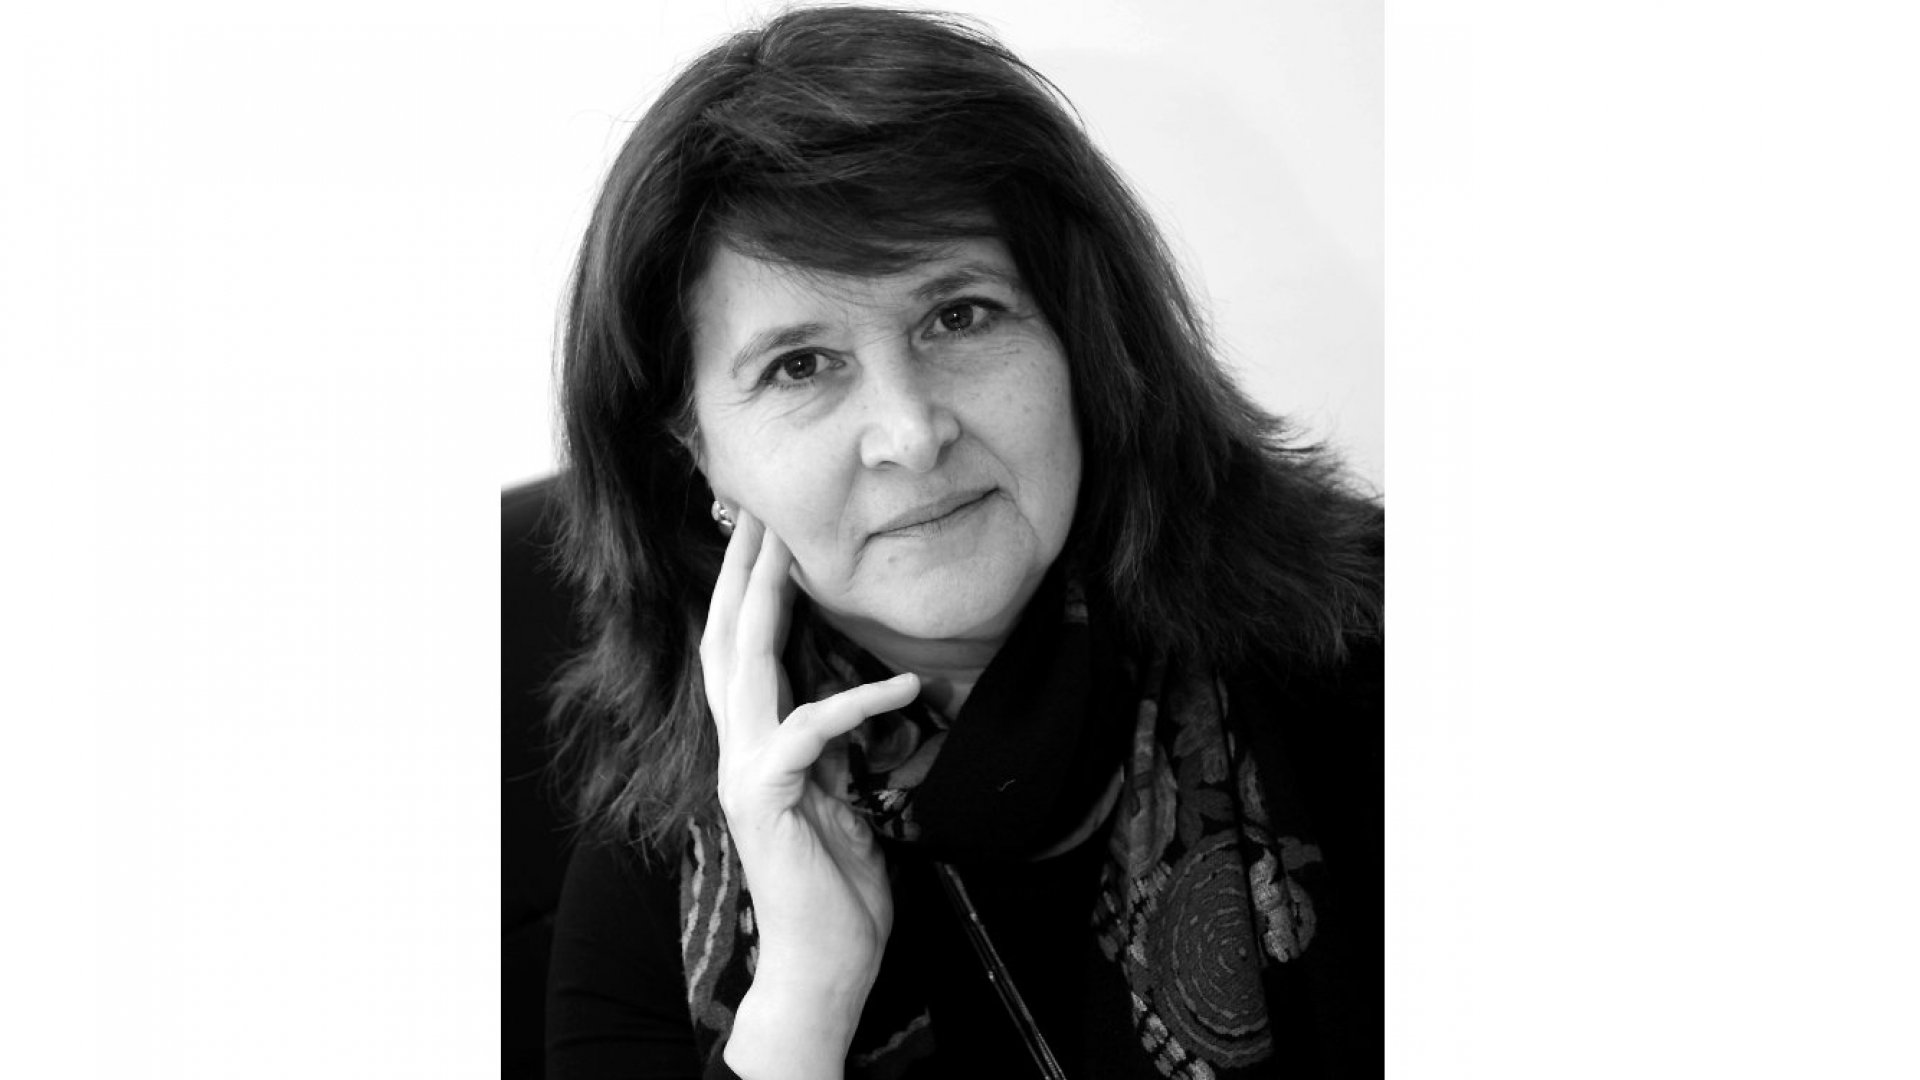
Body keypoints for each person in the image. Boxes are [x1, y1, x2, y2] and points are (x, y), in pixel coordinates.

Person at [539, 7, 1383, 1078]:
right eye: (800, 365)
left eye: (960, 317)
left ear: (1083, 339)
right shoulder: (654, 837)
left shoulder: (1371, 659)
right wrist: (805, 995)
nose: (910, 432)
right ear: (696, 453)